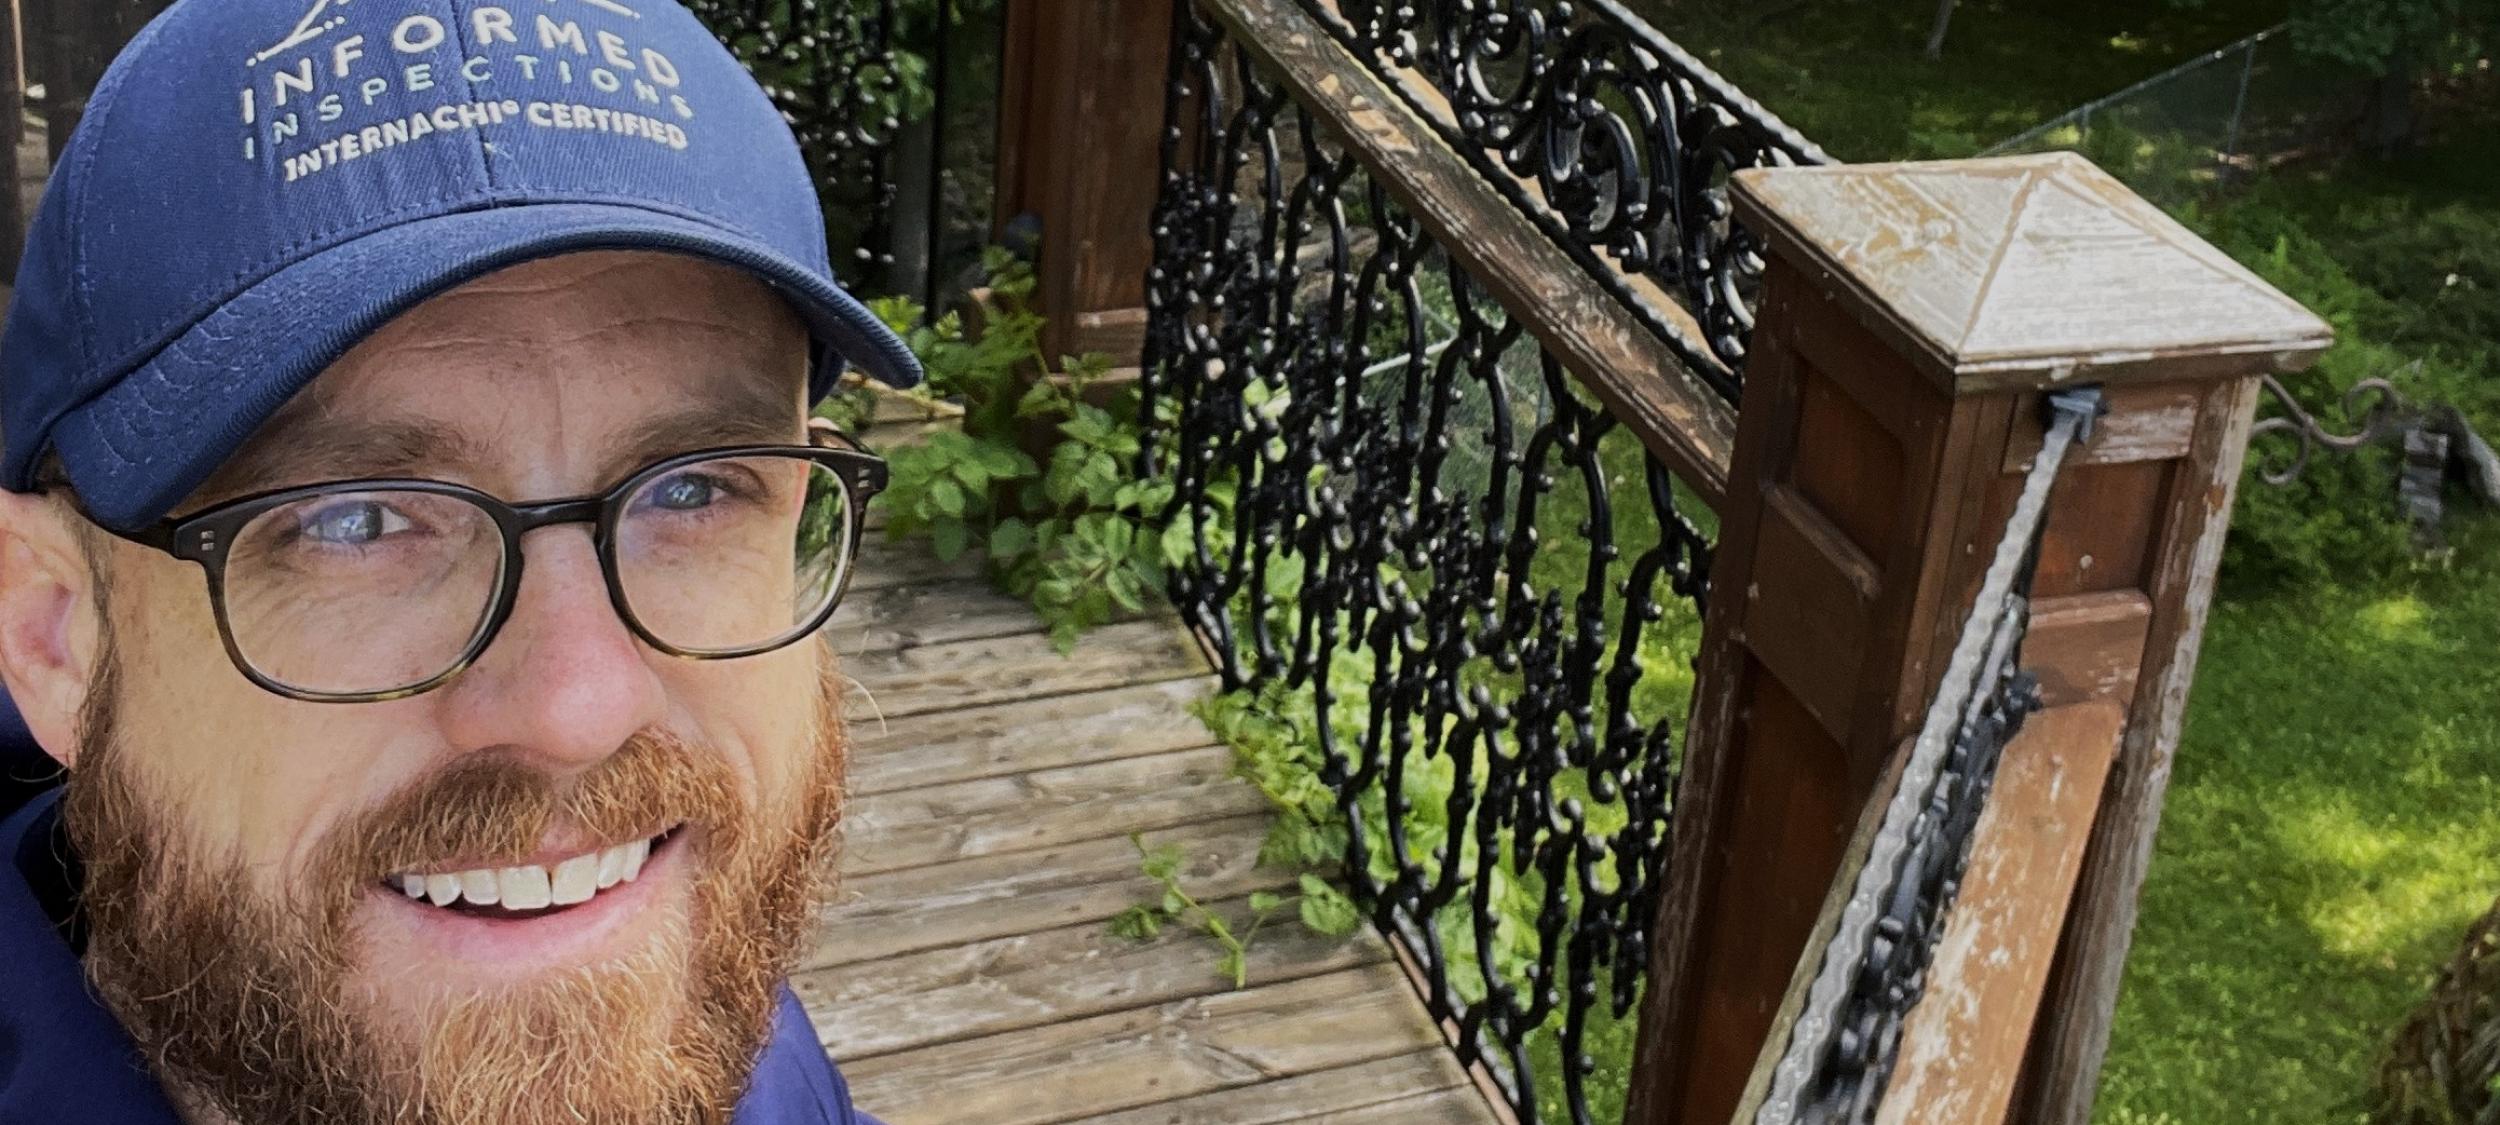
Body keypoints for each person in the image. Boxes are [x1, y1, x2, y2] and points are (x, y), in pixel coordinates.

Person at [0, 1, 924, 1122]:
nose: (577, 708)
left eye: (693, 489)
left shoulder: (705, 994)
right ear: (52, 634)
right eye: (355, 520)